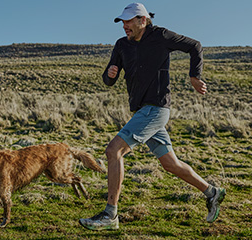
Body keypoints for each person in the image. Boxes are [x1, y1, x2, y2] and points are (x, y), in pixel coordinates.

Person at [79, 3, 226, 231]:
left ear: (143, 20)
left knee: (113, 151)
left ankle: (110, 215)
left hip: (156, 108)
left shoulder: (161, 36)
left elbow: (194, 46)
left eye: (129, 21)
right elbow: (109, 79)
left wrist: (194, 76)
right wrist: (109, 75)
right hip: (141, 111)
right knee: (170, 164)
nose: (125, 26)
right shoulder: (121, 46)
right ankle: (212, 191)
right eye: (123, 22)